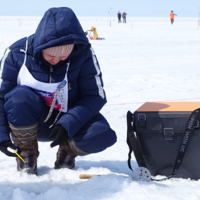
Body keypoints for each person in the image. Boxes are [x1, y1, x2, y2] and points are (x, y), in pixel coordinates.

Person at [0, 7, 117, 175]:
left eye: (63, 57)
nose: (56, 61)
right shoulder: (17, 54)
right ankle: (26, 155)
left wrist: (70, 122)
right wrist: (1, 135)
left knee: (102, 134)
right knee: (19, 97)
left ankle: (67, 152)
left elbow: (95, 96)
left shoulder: (84, 54)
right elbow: (1, 96)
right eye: (51, 56)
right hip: (27, 121)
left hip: (67, 121)